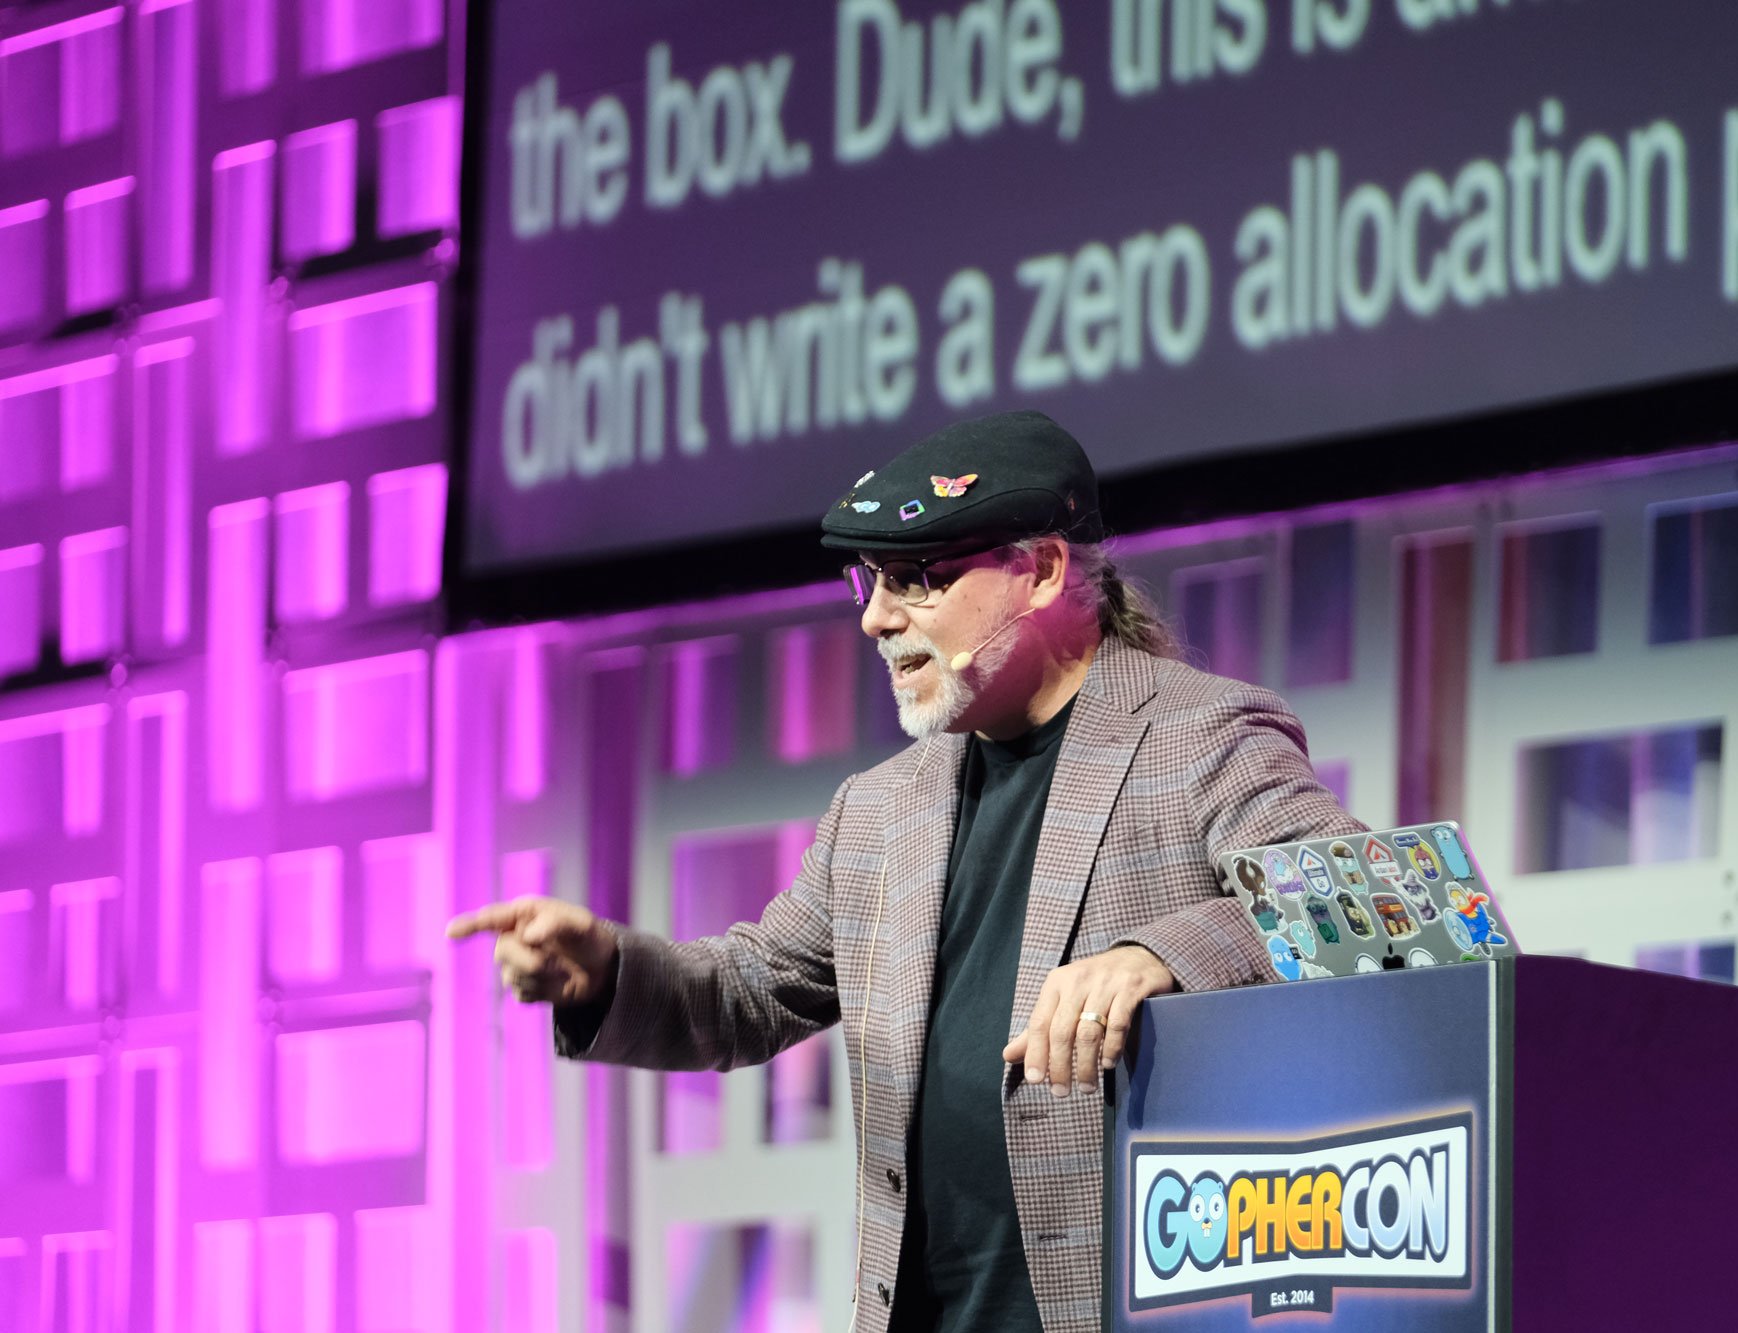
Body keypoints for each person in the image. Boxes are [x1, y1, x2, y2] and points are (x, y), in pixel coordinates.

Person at [448, 410, 1367, 1333]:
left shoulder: (1198, 736)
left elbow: (1374, 909)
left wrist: (1158, 953)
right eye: (870, 580)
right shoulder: (879, 811)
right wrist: (605, 970)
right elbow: (752, 986)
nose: (876, 616)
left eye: (919, 578)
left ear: (1042, 570)